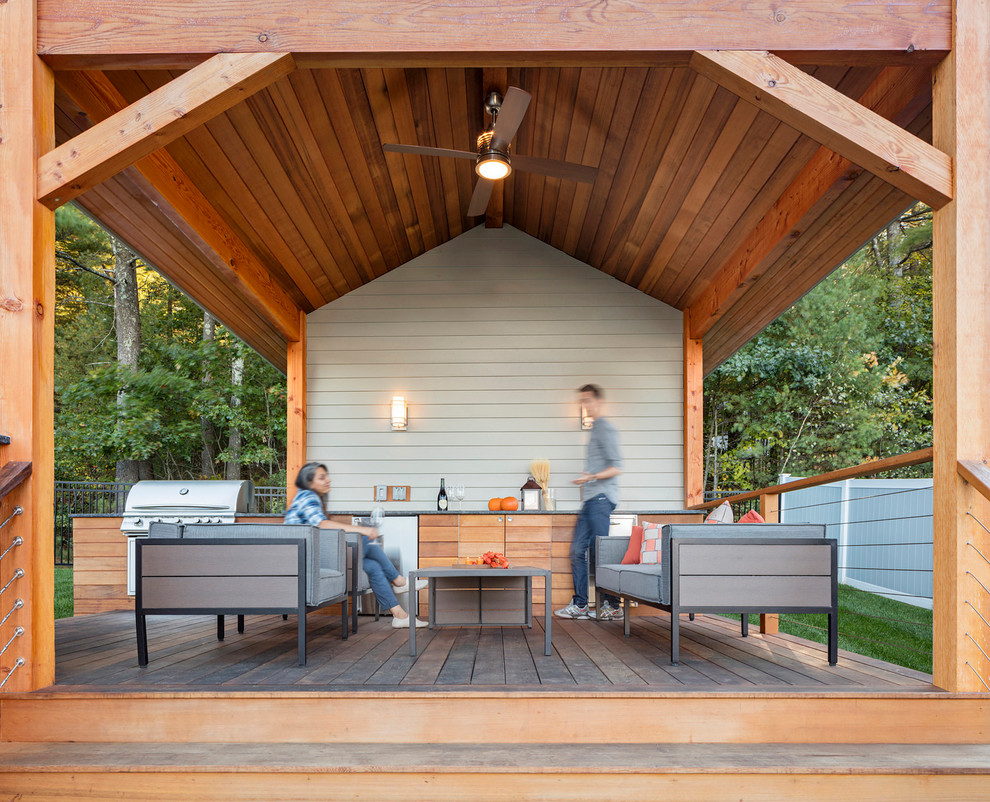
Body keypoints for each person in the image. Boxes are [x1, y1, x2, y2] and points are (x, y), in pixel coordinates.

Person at [284, 462, 427, 628]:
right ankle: (399, 581)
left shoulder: (307, 497)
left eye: (327, 476)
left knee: (372, 566)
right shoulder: (307, 496)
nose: (328, 480)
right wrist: (362, 530)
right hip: (304, 558)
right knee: (366, 540)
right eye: (322, 477)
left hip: (312, 554)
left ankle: (400, 615)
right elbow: (322, 525)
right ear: (309, 482)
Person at [555, 384, 624, 621]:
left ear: (598, 401)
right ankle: (582, 604)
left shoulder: (605, 428)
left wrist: (591, 477)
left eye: (587, 400)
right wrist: (588, 479)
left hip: (601, 499)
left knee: (599, 553)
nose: (584, 405)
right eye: (581, 401)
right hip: (591, 500)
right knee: (576, 551)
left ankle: (612, 605)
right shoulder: (595, 429)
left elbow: (617, 466)